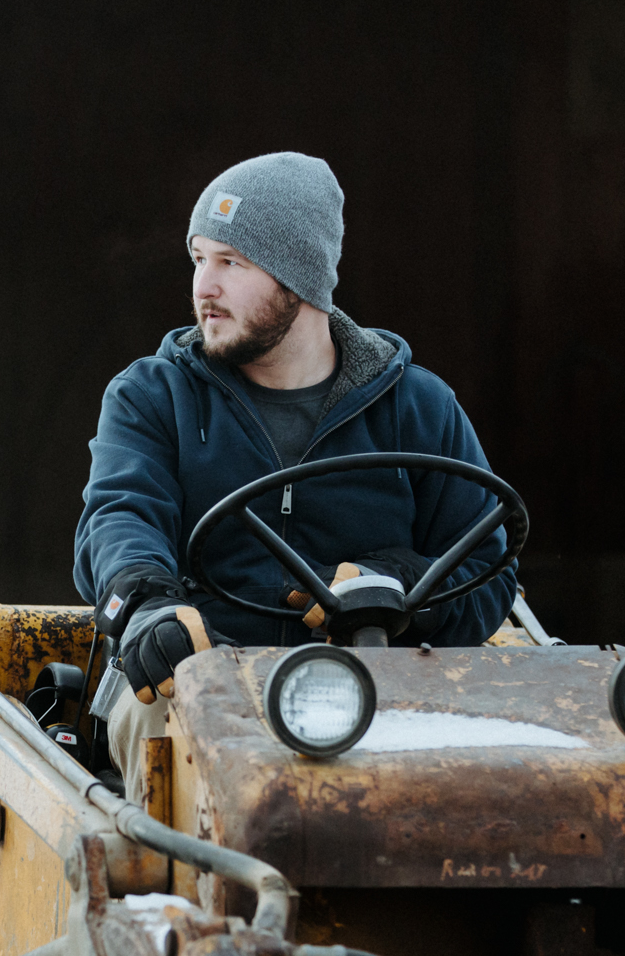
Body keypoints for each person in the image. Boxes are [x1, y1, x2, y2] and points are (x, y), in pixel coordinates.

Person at [72, 151, 516, 777]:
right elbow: (120, 517)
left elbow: (488, 573)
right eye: (199, 258)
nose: (205, 286)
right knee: (162, 719)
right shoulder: (151, 395)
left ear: (298, 278)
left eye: (232, 262)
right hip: (196, 676)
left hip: (373, 697)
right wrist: (145, 608)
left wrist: (404, 587)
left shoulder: (418, 406)